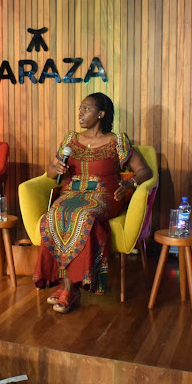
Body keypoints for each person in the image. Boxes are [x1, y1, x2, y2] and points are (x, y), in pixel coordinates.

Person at [33, 93, 153, 313]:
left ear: (101, 113)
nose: (80, 113)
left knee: (83, 216)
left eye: (86, 109)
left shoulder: (118, 141)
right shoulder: (70, 140)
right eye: (80, 109)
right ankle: (64, 283)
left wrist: (131, 184)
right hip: (70, 195)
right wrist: (55, 169)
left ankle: (70, 290)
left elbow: (145, 170)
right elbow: (50, 170)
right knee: (53, 215)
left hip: (104, 196)